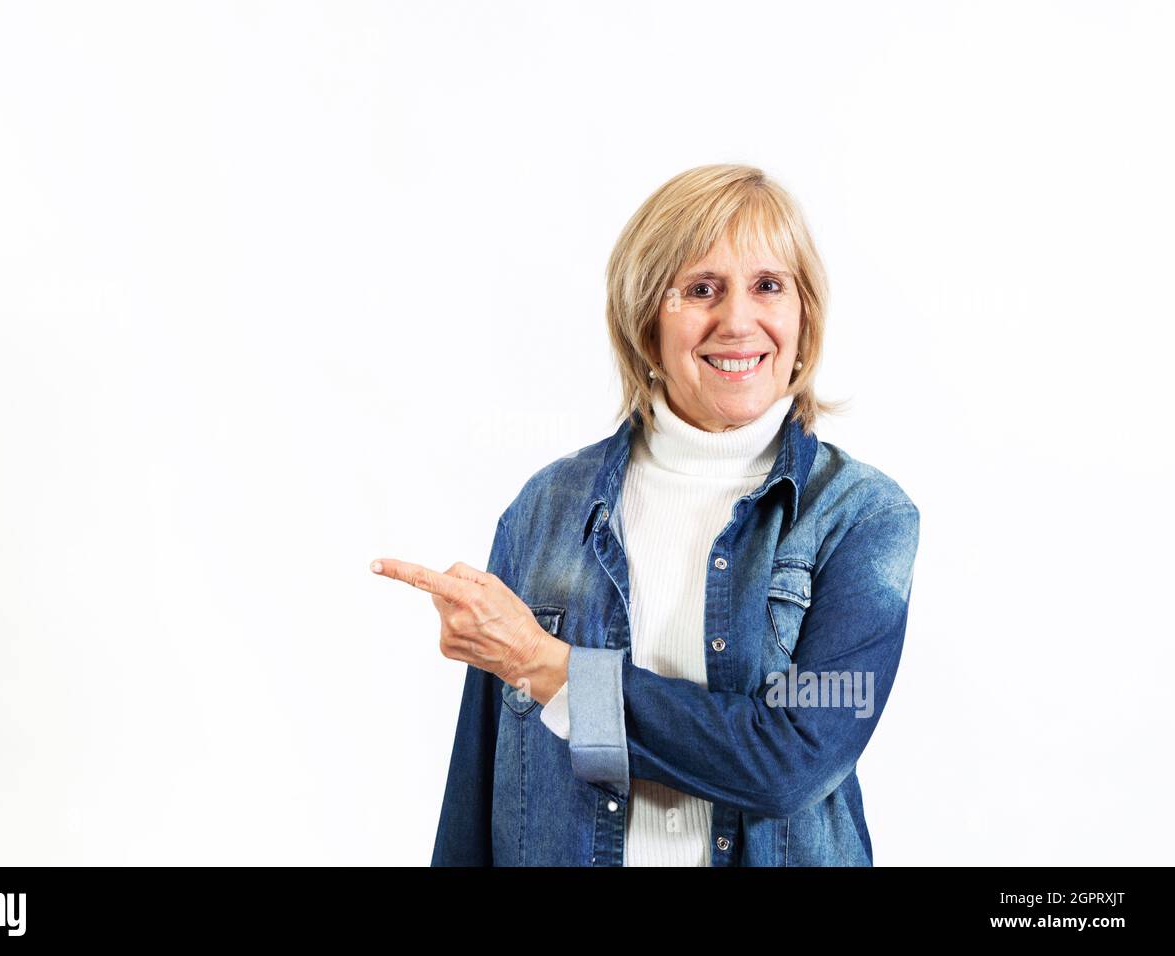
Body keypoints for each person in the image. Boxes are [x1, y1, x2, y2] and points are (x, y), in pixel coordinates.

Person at [372, 163, 921, 866]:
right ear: (644, 319)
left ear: (803, 312)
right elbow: (475, 795)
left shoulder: (860, 517)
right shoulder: (544, 510)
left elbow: (790, 762)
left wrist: (554, 670)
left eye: (768, 286)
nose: (738, 321)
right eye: (700, 289)